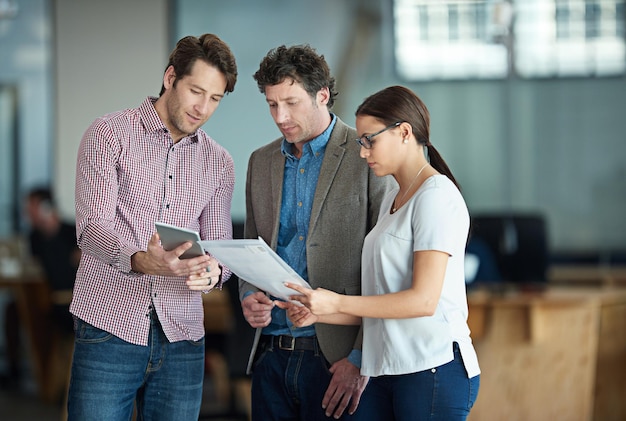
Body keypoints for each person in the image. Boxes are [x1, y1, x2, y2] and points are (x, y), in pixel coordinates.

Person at [278, 85, 481, 420]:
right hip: (387, 369)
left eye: (370, 139)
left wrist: (337, 302)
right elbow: (381, 301)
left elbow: (422, 301)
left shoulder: (436, 196)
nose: (363, 152)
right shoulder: (394, 198)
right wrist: (320, 311)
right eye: (361, 142)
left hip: (431, 368)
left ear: (404, 132)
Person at [68, 33, 237, 420]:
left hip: (183, 336)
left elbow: (219, 248)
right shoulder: (108, 134)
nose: (203, 108)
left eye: (215, 98)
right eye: (196, 91)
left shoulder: (219, 162)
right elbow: (92, 227)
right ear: (170, 77)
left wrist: (214, 272)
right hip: (109, 326)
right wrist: (143, 259)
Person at [238, 44, 393, 421]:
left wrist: (360, 360)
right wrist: (248, 295)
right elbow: (251, 247)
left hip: (338, 361)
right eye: (272, 104)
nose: (280, 116)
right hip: (270, 355)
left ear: (322, 95)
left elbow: (388, 273)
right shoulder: (260, 162)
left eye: (291, 102)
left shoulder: (368, 155)